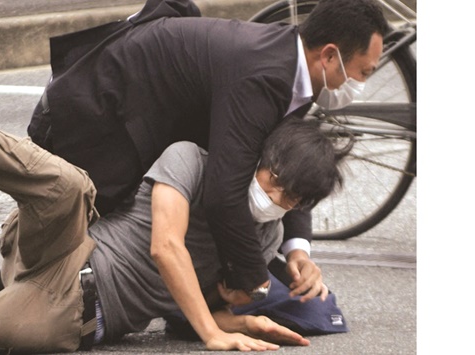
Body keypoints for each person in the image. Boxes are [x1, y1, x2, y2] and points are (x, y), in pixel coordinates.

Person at [26, 0, 390, 299]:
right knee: (54, 273)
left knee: (66, 282)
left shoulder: (290, 66)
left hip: (122, 120)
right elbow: (223, 195)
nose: (359, 84)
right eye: (363, 72)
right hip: (82, 118)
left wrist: (297, 249)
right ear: (329, 56)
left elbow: (288, 159)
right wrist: (256, 284)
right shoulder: (264, 76)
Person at [0, 94, 351, 352]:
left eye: (292, 199)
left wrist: (239, 315)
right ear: (259, 159)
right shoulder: (190, 160)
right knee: (68, 185)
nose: (275, 199)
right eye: (274, 181)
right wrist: (213, 331)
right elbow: (165, 246)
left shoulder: (265, 238)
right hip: (64, 246)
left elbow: (183, 315)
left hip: (73, 312)